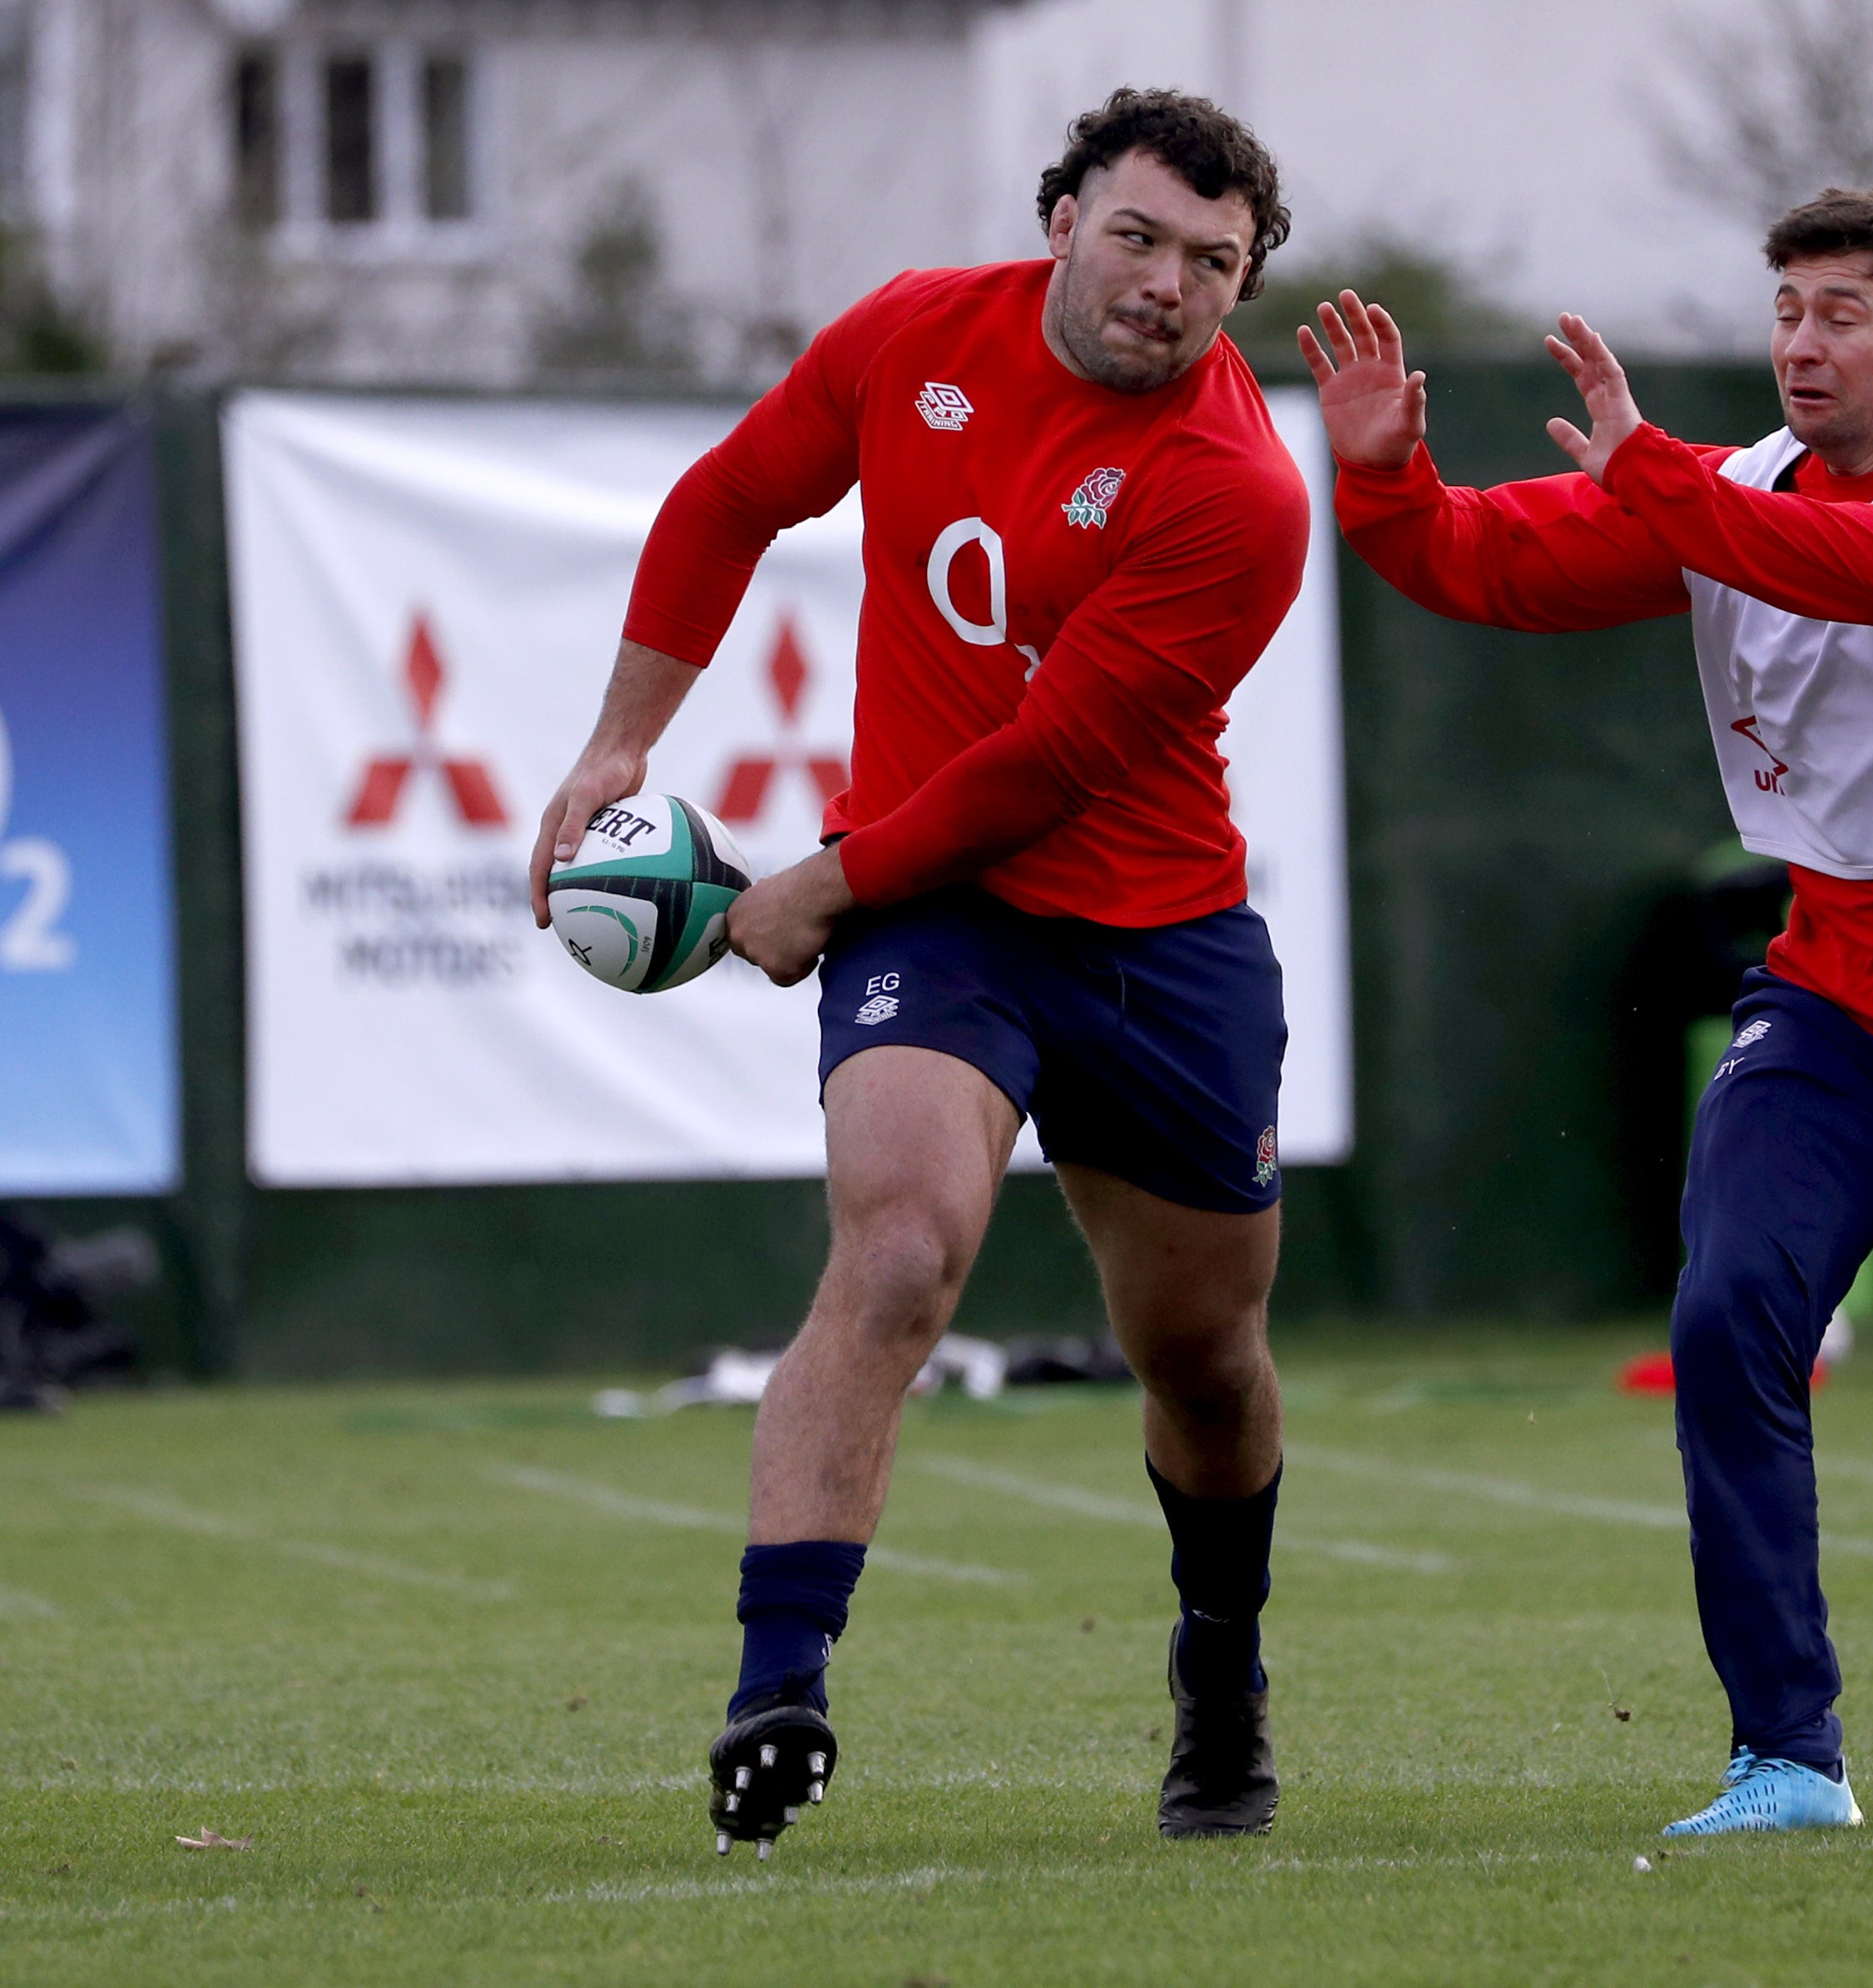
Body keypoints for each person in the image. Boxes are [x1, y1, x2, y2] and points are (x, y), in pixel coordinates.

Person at [1303, 189, 1873, 1836]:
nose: (1801, 338)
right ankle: (1786, 1756)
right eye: (1787, 305)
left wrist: (1658, 481)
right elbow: (1478, 561)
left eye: (1844, 310)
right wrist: (1383, 481)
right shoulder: (1734, 494)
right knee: (1730, 1313)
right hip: (1839, 1011)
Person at [526, 88, 1311, 1853]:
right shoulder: (910, 334)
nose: (1167, 283)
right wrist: (614, 747)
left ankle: (1222, 1661)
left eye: (1213, 262)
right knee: (896, 1248)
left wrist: (824, 876)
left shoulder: (1238, 491)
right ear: (1059, 220)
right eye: (1138, 235)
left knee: (1201, 1357)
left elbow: (1055, 760)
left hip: (1157, 934)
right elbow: (730, 498)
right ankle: (776, 1690)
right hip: (947, 924)